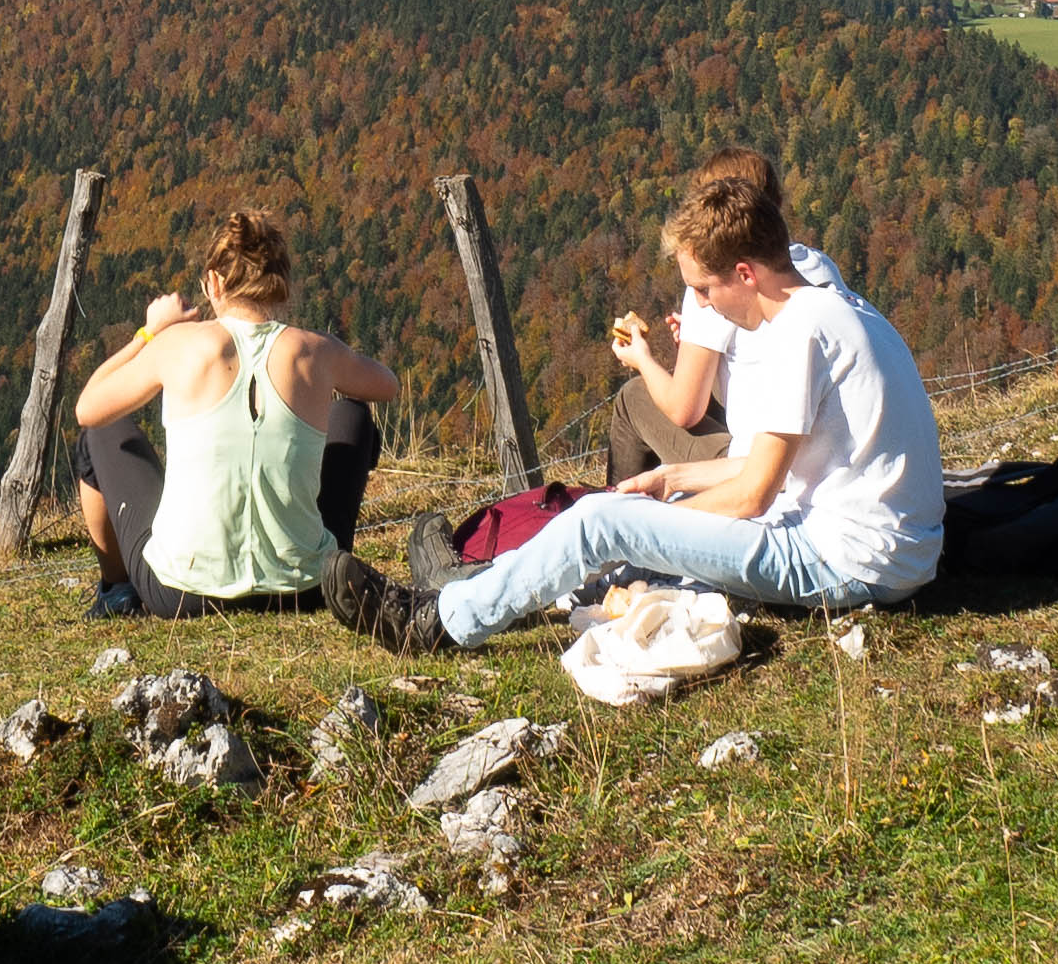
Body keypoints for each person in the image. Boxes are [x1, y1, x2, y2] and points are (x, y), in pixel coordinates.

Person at [324, 161, 945, 654]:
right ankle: (506, 590)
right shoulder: (838, 309)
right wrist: (671, 479)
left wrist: (644, 532)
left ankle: (439, 624)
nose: (704, 305)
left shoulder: (798, 333)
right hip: (890, 553)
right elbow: (770, 462)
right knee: (637, 513)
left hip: (849, 561)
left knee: (602, 521)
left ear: (745, 273)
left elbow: (755, 494)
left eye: (705, 289)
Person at [72, 211, 402, 618]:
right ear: (280, 284)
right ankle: (318, 549)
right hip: (305, 587)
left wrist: (149, 332)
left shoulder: (179, 344)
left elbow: (87, 407)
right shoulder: (315, 351)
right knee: (352, 414)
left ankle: (116, 592)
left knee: (100, 433)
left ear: (213, 282)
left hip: (182, 593)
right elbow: (387, 384)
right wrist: (327, 355)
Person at [594, 145, 853, 486]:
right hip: (824, 449)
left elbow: (685, 410)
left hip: (760, 462)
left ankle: (618, 509)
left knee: (633, 398)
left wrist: (642, 357)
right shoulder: (815, 264)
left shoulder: (718, 277)